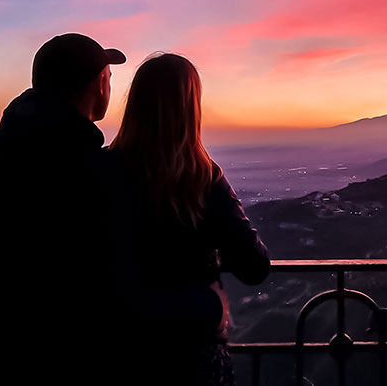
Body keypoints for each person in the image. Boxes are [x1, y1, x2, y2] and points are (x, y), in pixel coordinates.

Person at [0, 34, 223, 385]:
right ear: (98, 86)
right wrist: (209, 309)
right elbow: (122, 300)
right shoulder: (105, 177)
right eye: (107, 76)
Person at [107, 53, 270, 386]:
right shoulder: (204, 179)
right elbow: (254, 266)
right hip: (192, 355)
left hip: (120, 351)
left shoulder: (101, 171)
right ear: (191, 107)